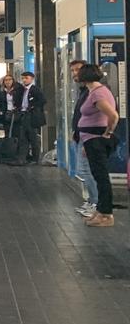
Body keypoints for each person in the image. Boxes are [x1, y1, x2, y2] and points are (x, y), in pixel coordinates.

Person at [76, 63, 120, 227]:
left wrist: (107, 134)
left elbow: (113, 116)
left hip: (96, 140)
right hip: (91, 139)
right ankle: (101, 210)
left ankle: (106, 214)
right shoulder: (94, 92)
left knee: (101, 177)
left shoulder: (98, 93)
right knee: (98, 175)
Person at [70, 60, 100, 217]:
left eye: (78, 70)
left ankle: (95, 203)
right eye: (73, 71)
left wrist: (102, 135)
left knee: (87, 170)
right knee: (83, 171)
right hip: (81, 135)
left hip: (89, 137)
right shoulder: (84, 91)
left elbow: (110, 115)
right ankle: (91, 200)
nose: (75, 74)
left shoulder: (96, 92)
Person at [17, 71, 46, 163]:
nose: (24, 80)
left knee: (33, 136)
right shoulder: (22, 90)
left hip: (31, 115)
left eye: (26, 78)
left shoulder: (35, 90)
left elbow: (42, 100)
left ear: (32, 79)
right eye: (23, 78)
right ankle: (23, 157)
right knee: (23, 136)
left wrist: (32, 106)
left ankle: (35, 158)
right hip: (23, 114)